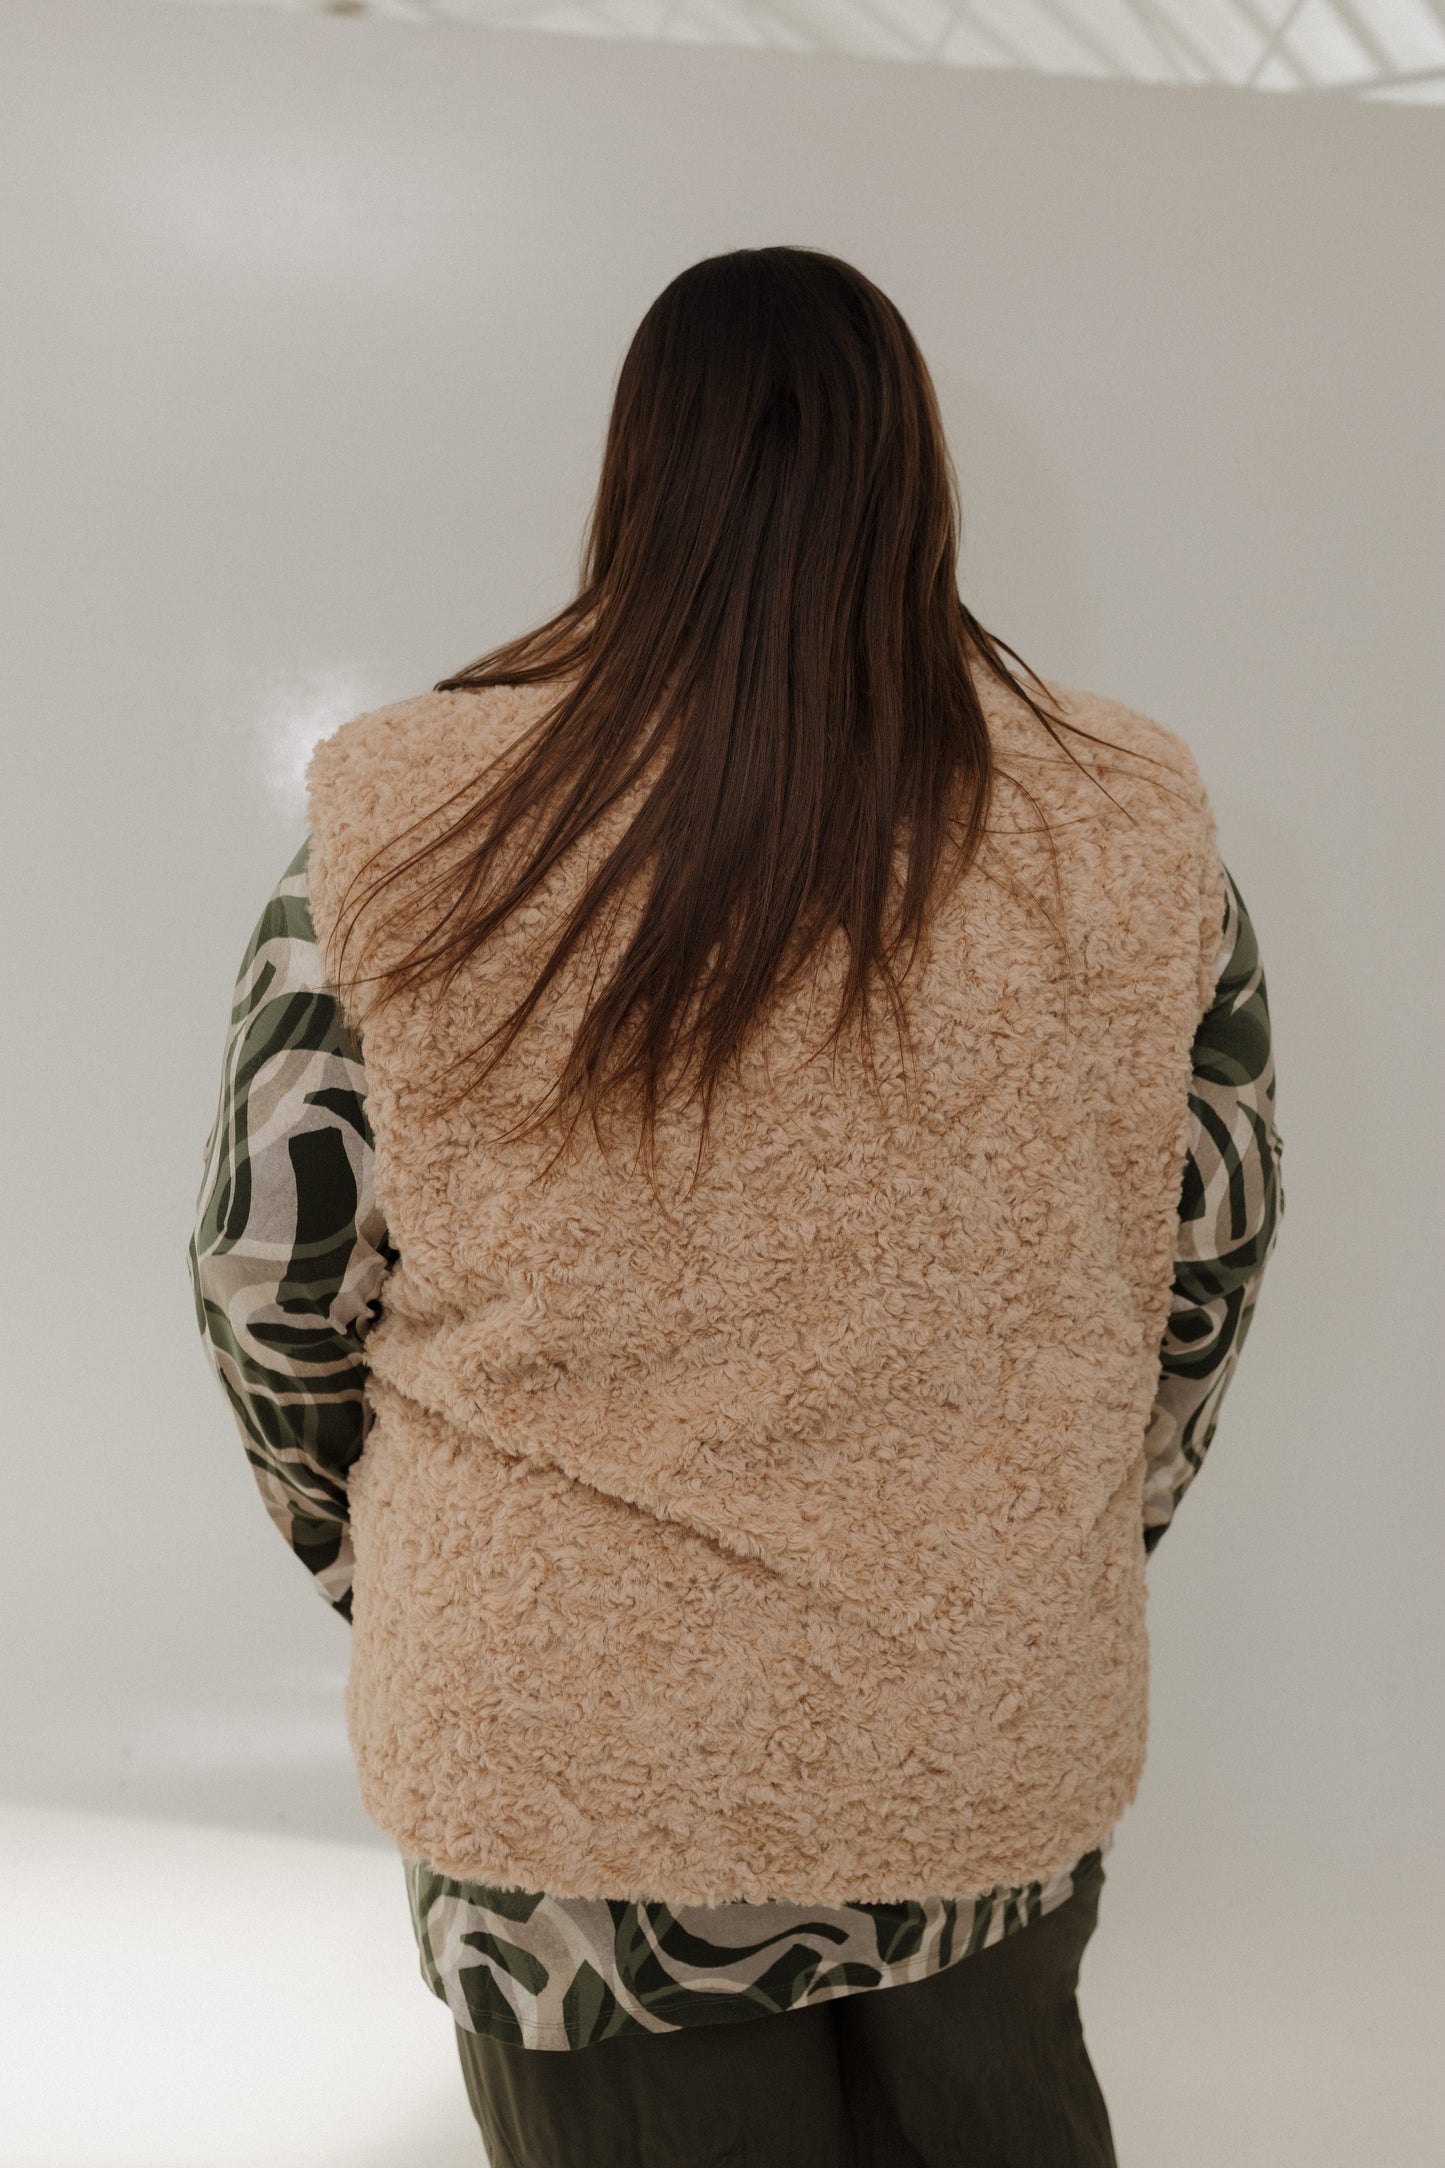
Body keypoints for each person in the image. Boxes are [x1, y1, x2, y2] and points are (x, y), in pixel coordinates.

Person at [189, 247, 1283, 2167]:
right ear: (913, 476)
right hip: (975, 1731)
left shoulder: (411, 807)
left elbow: (274, 1273)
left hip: (560, 1773)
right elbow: (1198, 1272)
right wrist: (1028, 1562)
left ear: (637, 475)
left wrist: (421, 1571)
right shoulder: (1126, 818)